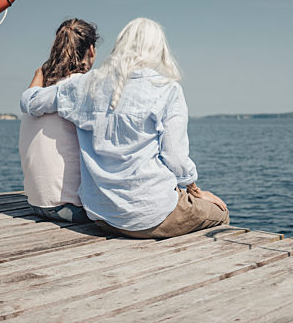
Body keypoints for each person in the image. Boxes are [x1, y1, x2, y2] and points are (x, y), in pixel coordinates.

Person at [20, 17, 229, 238]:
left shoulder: (86, 84)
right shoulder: (168, 90)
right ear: (159, 49)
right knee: (220, 212)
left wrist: (38, 75)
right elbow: (175, 158)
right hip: (151, 215)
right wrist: (195, 191)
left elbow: (30, 102)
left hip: (101, 216)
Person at [18, 18, 99, 223]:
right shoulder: (82, 86)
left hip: (36, 203)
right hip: (71, 209)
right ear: (91, 50)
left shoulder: (39, 93)